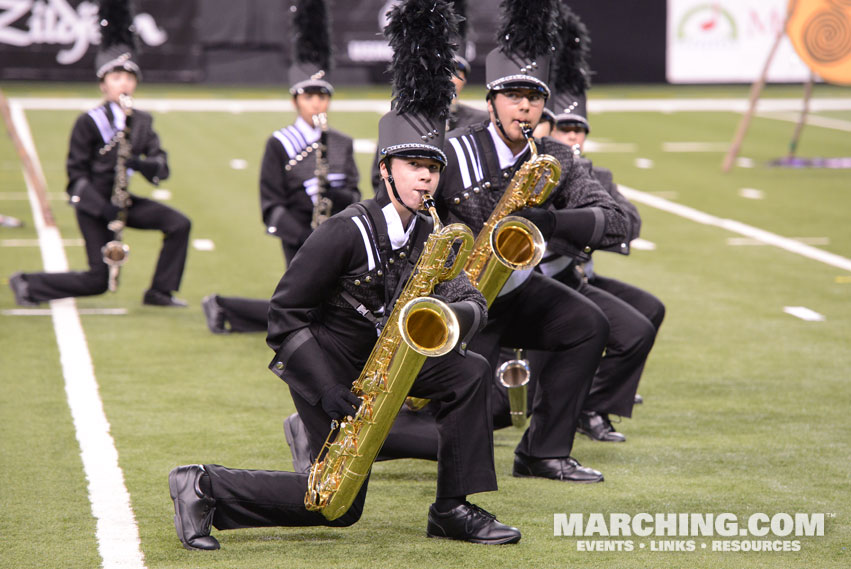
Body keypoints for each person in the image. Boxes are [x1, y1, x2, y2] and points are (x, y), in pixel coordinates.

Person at [168, 0, 519, 550]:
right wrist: (326, 387)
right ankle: (204, 485)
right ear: (385, 171)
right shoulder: (343, 231)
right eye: (413, 168)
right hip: (330, 368)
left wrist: (457, 315)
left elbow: (468, 293)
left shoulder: (436, 232)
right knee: (337, 507)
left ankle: (454, 507)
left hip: (389, 360)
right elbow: (285, 316)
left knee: (470, 372)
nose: (425, 180)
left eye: (433, 170)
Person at [532, 7, 665, 442]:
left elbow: (628, 222)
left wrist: (562, 223)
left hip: (570, 275)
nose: (571, 137)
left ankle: (593, 403)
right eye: (563, 127)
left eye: (578, 129)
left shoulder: (595, 175)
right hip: (530, 280)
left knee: (645, 315)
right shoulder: (529, 167)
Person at [8, 0, 190, 308]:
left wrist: (140, 165)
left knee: (178, 224)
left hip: (122, 202)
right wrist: (101, 209)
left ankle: (160, 291)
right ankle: (28, 283)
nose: (124, 84)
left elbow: (162, 167)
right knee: (98, 281)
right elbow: (75, 178)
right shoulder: (88, 122)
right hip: (94, 205)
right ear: (103, 84)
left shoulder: (142, 121)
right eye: (116, 78)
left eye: (129, 78)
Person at [202, 0, 360, 334]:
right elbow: (271, 203)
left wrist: (333, 194)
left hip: (337, 233)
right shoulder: (280, 143)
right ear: (295, 100)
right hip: (298, 233)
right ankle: (225, 306)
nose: (317, 102)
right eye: (309, 96)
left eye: (322, 95)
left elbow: (355, 194)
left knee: (324, 308)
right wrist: (304, 236)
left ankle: (225, 309)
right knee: (313, 308)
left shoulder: (342, 143)